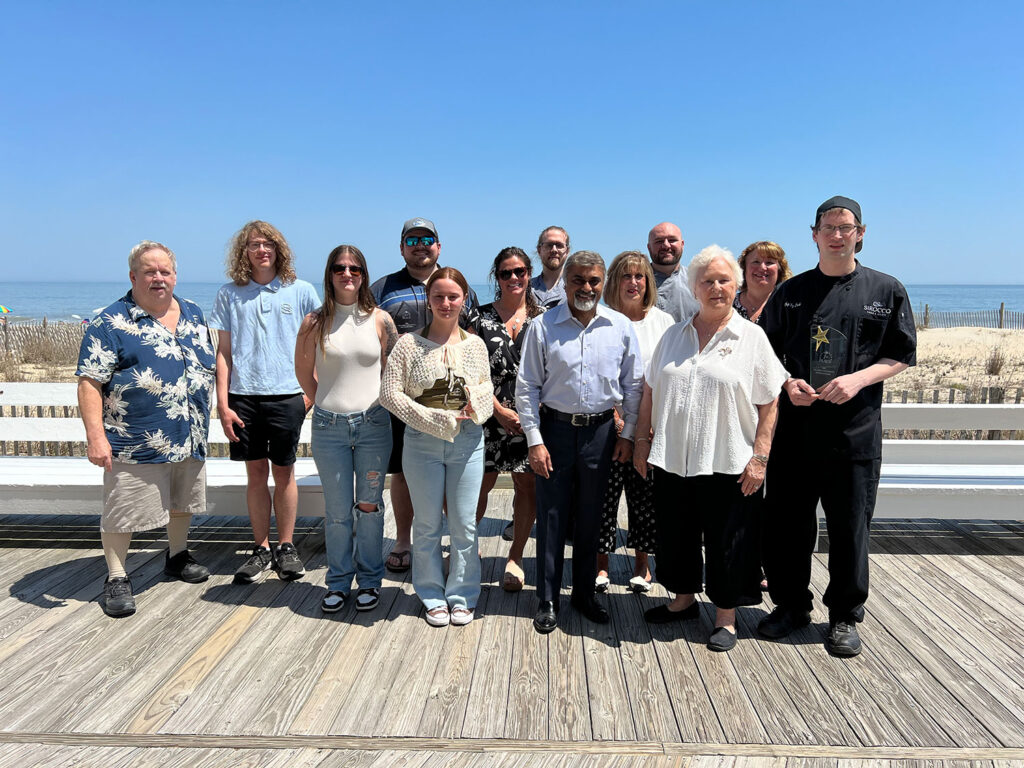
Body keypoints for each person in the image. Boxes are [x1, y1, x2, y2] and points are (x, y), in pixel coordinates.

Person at [759, 196, 916, 657]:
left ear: (860, 233)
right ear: (814, 235)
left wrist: (858, 379)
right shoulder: (790, 292)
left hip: (854, 434)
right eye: (827, 227)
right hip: (795, 434)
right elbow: (766, 353)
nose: (836, 234)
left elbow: (901, 355)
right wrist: (787, 383)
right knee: (788, 526)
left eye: (845, 227)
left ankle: (845, 615)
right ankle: (791, 606)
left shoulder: (887, 290)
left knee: (850, 528)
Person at [633, 245, 788, 652]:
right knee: (676, 532)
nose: (716, 287)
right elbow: (650, 388)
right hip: (672, 456)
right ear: (694, 286)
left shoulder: (750, 337)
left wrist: (760, 457)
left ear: (735, 285)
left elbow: (770, 400)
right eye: (707, 281)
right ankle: (682, 600)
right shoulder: (673, 334)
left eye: (723, 280)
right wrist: (642, 441)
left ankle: (725, 617)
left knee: (729, 539)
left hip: (730, 459)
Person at [76, 241, 215, 617]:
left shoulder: (193, 312)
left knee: (182, 500)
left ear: (174, 275)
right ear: (133, 276)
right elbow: (90, 382)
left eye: (165, 271)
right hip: (135, 437)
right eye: (149, 271)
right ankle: (117, 577)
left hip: (190, 432)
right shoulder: (111, 322)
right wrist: (95, 436)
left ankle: (177, 555)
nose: (158, 278)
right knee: (123, 507)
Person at [516, 251, 643, 634]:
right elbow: (527, 387)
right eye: (578, 281)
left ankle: (585, 595)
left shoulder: (619, 326)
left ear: (603, 282)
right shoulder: (543, 326)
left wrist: (627, 434)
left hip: (602, 433)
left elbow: (633, 385)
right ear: (566, 282)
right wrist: (534, 441)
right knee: (552, 516)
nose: (586, 288)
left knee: (592, 516)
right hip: (554, 431)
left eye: (593, 281)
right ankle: (548, 598)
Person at [379, 267, 493, 627]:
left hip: (468, 444)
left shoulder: (475, 345)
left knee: (464, 525)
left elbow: (487, 386)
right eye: (439, 296)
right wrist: (431, 419)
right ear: (429, 300)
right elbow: (389, 394)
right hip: (421, 445)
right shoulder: (408, 345)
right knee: (427, 525)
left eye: (453, 296)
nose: (446, 303)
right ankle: (431, 594)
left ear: (464, 299)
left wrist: (478, 401)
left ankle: (462, 595)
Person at [211, 221, 320, 584]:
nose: (261, 250)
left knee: (284, 472)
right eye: (254, 245)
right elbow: (223, 353)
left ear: (278, 250)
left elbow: (317, 346)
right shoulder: (229, 294)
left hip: (288, 395)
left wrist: (309, 394)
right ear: (244, 251)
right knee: (256, 474)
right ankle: (260, 547)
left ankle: (286, 547)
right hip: (243, 398)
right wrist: (223, 403)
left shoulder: (301, 291)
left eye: (268, 244)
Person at [370, 217, 478, 575]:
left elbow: (473, 344)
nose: (420, 244)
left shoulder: (458, 285)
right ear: (402, 247)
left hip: (455, 406)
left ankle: (448, 542)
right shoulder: (383, 288)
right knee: (402, 472)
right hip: (405, 402)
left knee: (453, 474)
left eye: (427, 238)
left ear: (438, 246)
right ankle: (403, 539)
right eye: (412, 239)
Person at [295, 245, 398, 613]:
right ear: (330, 273)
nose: (347, 273)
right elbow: (305, 375)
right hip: (329, 426)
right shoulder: (313, 322)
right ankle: (338, 582)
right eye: (339, 267)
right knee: (338, 510)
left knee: (369, 507)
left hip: (373, 425)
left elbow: (392, 373)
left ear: (364, 274)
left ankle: (370, 580)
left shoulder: (381, 320)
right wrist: (326, 404)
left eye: (355, 268)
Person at [596, 251, 674, 594]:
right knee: (604, 498)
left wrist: (649, 422)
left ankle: (642, 567)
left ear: (648, 282)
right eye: (626, 276)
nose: (633, 282)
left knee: (645, 499)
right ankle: (601, 566)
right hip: (606, 424)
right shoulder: (600, 319)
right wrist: (615, 416)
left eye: (640, 276)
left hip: (650, 426)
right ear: (615, 282)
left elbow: (668, 377)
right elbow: (595, 372)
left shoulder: (664, 322)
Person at [470, 247, 545, 592]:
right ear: (496, 277)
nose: (513, 278)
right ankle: (468, 552)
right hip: (487, 415)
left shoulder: (546, 319)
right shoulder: (477, 319)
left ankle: (515, 557)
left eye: (520, 272)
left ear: (530, 273)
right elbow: (467, 372)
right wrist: (499, 410)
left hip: (532, 417)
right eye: (505, 273)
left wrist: (525, 416)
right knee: (478, 485)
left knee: (526, 485)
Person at [647, 222, 700, 322]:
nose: (666, 245)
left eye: (672, 240)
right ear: (649, 247)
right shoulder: (636, 284)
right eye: (659, 241)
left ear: (682, 244)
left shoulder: (698, 281)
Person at [734, 241, 793, 324]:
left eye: (769, 262)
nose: (762, 267)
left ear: (780, 269)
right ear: (744, 268)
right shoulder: (727, 306)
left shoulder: (790, 307)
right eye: (756, 262)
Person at [529, 226, 570, 307]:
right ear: (539, 250)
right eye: (549, 245)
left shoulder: (575, 288)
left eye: (559, 245)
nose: (554, 250)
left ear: (567, 251)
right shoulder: (525, 289)